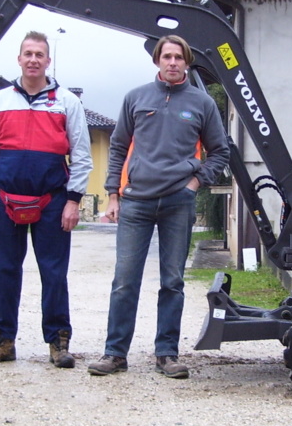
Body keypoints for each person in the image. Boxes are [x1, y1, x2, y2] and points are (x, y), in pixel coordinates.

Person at [88, 34, 229, 379]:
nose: (172, 63)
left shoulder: (202, 103)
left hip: (177, 203)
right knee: (125, 280)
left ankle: (166, 353)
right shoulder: (136, 98)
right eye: (166, 56)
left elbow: (220, 151)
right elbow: (118, 148)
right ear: (157, 60)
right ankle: (115, 353)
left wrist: (193, 184)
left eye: (179, 57)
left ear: (187, 62)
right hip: (136, 202)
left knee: (172, 281)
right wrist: (113, 194)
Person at [0, 31, 92, 368]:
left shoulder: (67, 102)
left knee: (54, 273)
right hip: (6, 200)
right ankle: (2, 341)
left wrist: (73, 201)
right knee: (5, 271)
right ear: (19, 59)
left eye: (40, 54)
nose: (34, 59)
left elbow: (82, 156)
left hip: (52, 201)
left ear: (48, 61)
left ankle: (58, 342)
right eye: (28, 53)